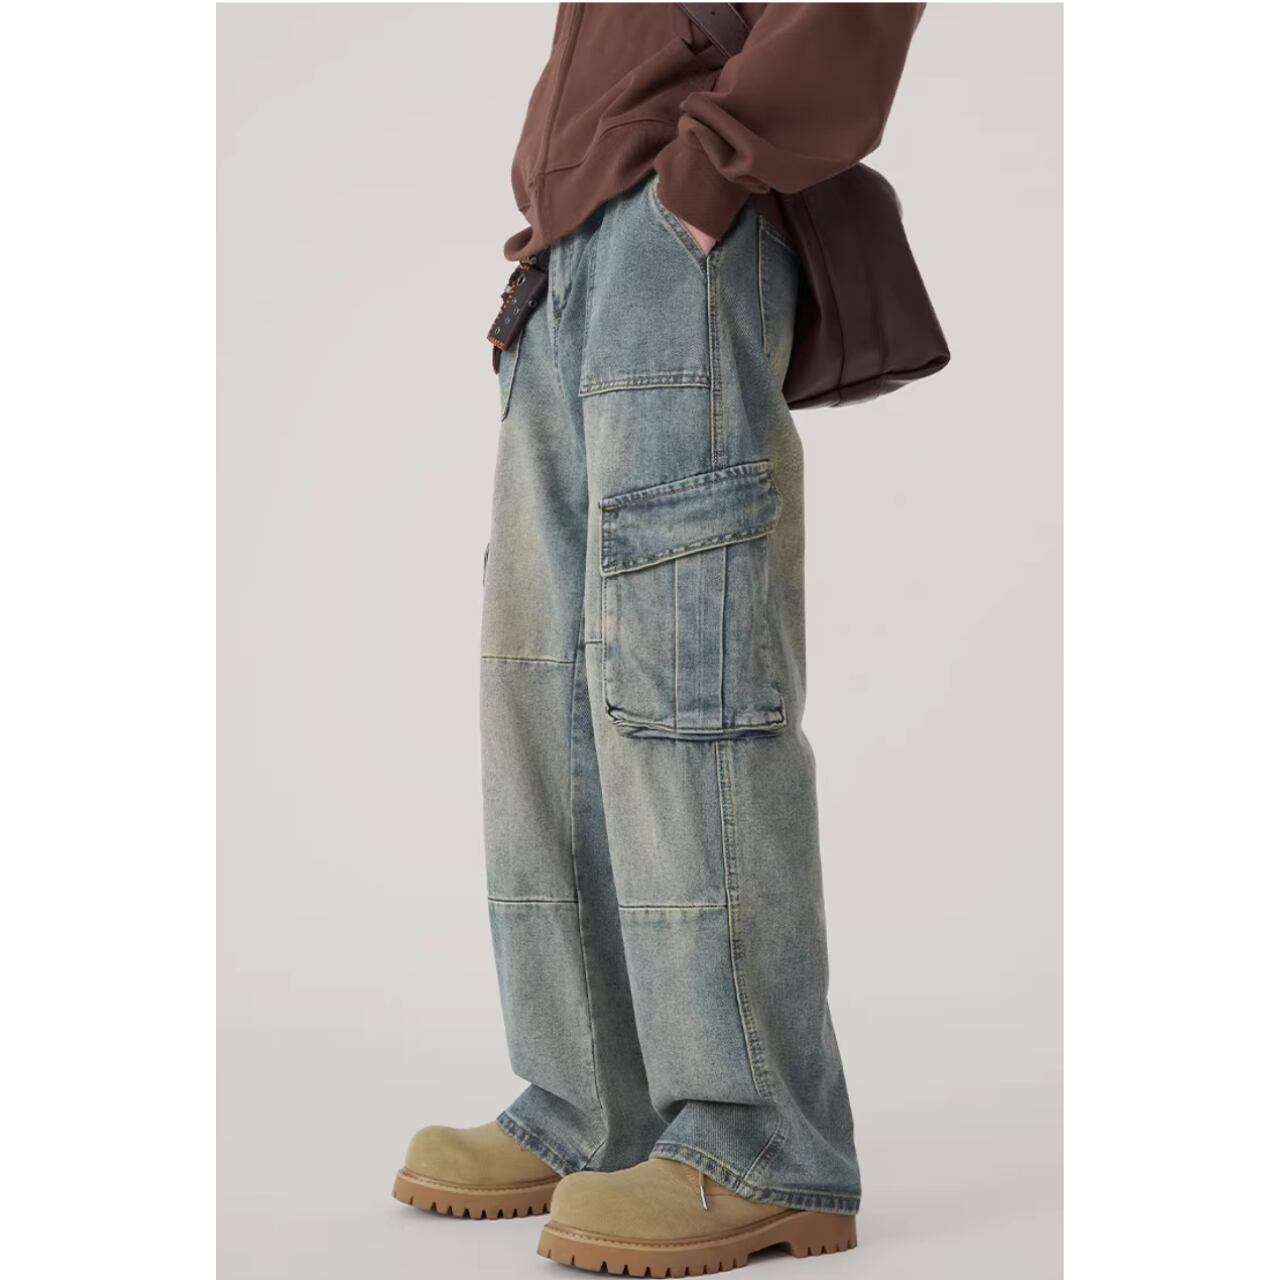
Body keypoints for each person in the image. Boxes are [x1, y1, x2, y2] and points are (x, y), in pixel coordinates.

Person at [393, 4, 924, 1272]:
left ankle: (759, 1141)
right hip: (568, 263)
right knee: (546, 685)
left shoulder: (693, 201)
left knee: (687, 676)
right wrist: (573, 228)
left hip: (677, 231)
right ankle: (595, 1106)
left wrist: (703, 178)